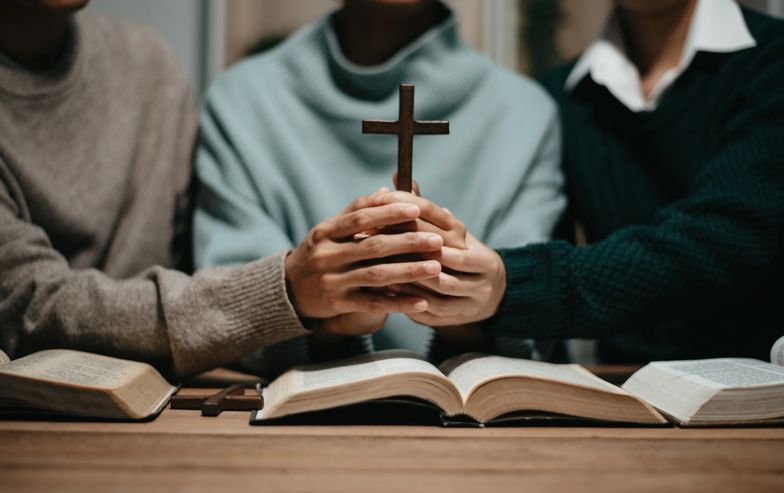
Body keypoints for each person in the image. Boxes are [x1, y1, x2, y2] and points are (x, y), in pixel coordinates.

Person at [0, 0, 450, 377]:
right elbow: (26, 308)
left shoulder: (146, 65)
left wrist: (323, 325)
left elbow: (198, 303)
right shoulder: (240, 98)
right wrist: (286, 290)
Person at [379, 0, 784, 363]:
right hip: (625, 395)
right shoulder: (561, 98)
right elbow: (547, 323)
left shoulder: (781, 63)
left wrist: (509, 283)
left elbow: (721, 241)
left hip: (763, 398)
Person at [193, 0, 565, 368]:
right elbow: (223, 320)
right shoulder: (241, 102)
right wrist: (320, 309)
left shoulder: (526, 114)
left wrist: (471, 304)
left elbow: (535, 317)